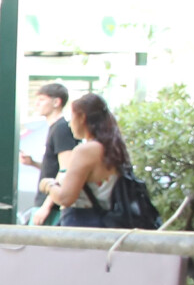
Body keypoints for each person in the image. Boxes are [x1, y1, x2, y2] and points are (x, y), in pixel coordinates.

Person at [36, 93, 133, 228]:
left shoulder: (85, 151)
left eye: (72, 117)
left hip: (82, 223)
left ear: (82, 117)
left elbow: (66, 198)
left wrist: (48, 185)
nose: (70, 124)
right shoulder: (113, 147)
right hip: (107, 223)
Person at [33, 81, 81, 219]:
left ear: (56, 102)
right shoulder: (54, 128)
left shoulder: (61, 129)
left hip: (54, 206)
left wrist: (46, 207)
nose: (37, 104)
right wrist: (33, 163)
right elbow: (55, 166)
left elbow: (66, 169)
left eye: (42, 100)